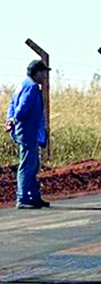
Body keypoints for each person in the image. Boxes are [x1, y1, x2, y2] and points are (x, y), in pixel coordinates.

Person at [6, 58, 50, 209]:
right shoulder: (31, 87)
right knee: (27, 166)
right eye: (44, 72)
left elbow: (12, 104)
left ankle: (34, 196)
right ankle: (23, 198)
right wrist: (16, 119)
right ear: (37, 73)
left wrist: (11, 119)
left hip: (26, 131)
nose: (45, 76)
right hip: (27, 132)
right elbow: (22, 108)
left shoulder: (23, 85)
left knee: (33, 164)